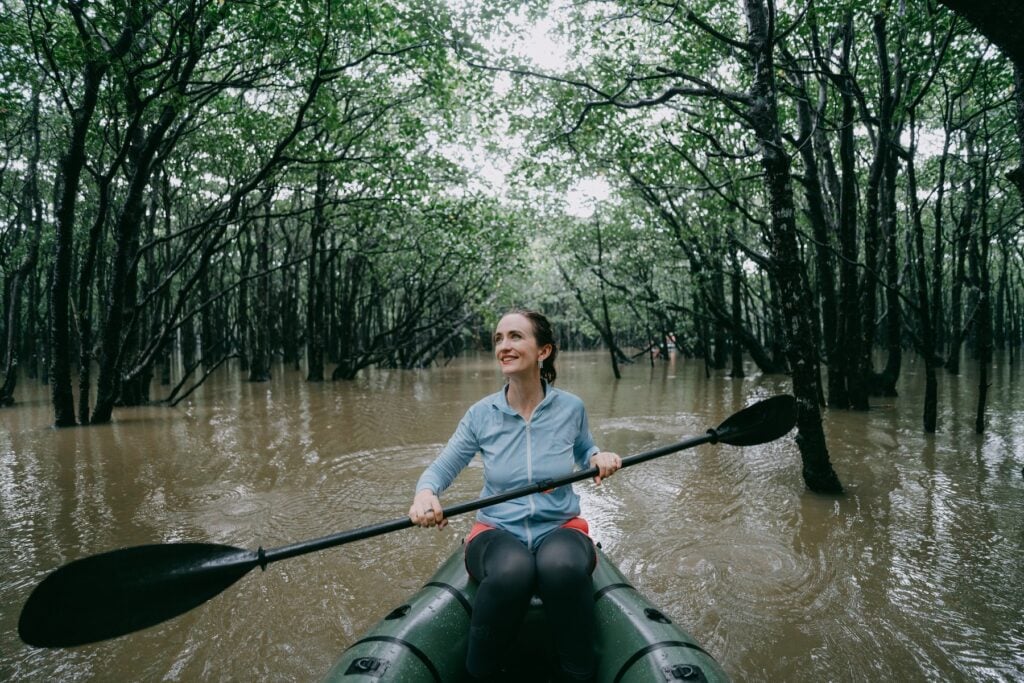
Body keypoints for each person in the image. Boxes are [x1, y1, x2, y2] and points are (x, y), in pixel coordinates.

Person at [409, 309, 621, 682]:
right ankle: (480, 674)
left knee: (562, 568)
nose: (504, 346)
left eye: (515, 337)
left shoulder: (571, 407)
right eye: (498, 338)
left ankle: (577, 673)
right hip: (497, 531)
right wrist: (425, 494)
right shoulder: (481, 415)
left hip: (559, 526)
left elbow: (586, 448)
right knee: (512, 571)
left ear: (543, 351)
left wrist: (597, 457)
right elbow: (440, 469)